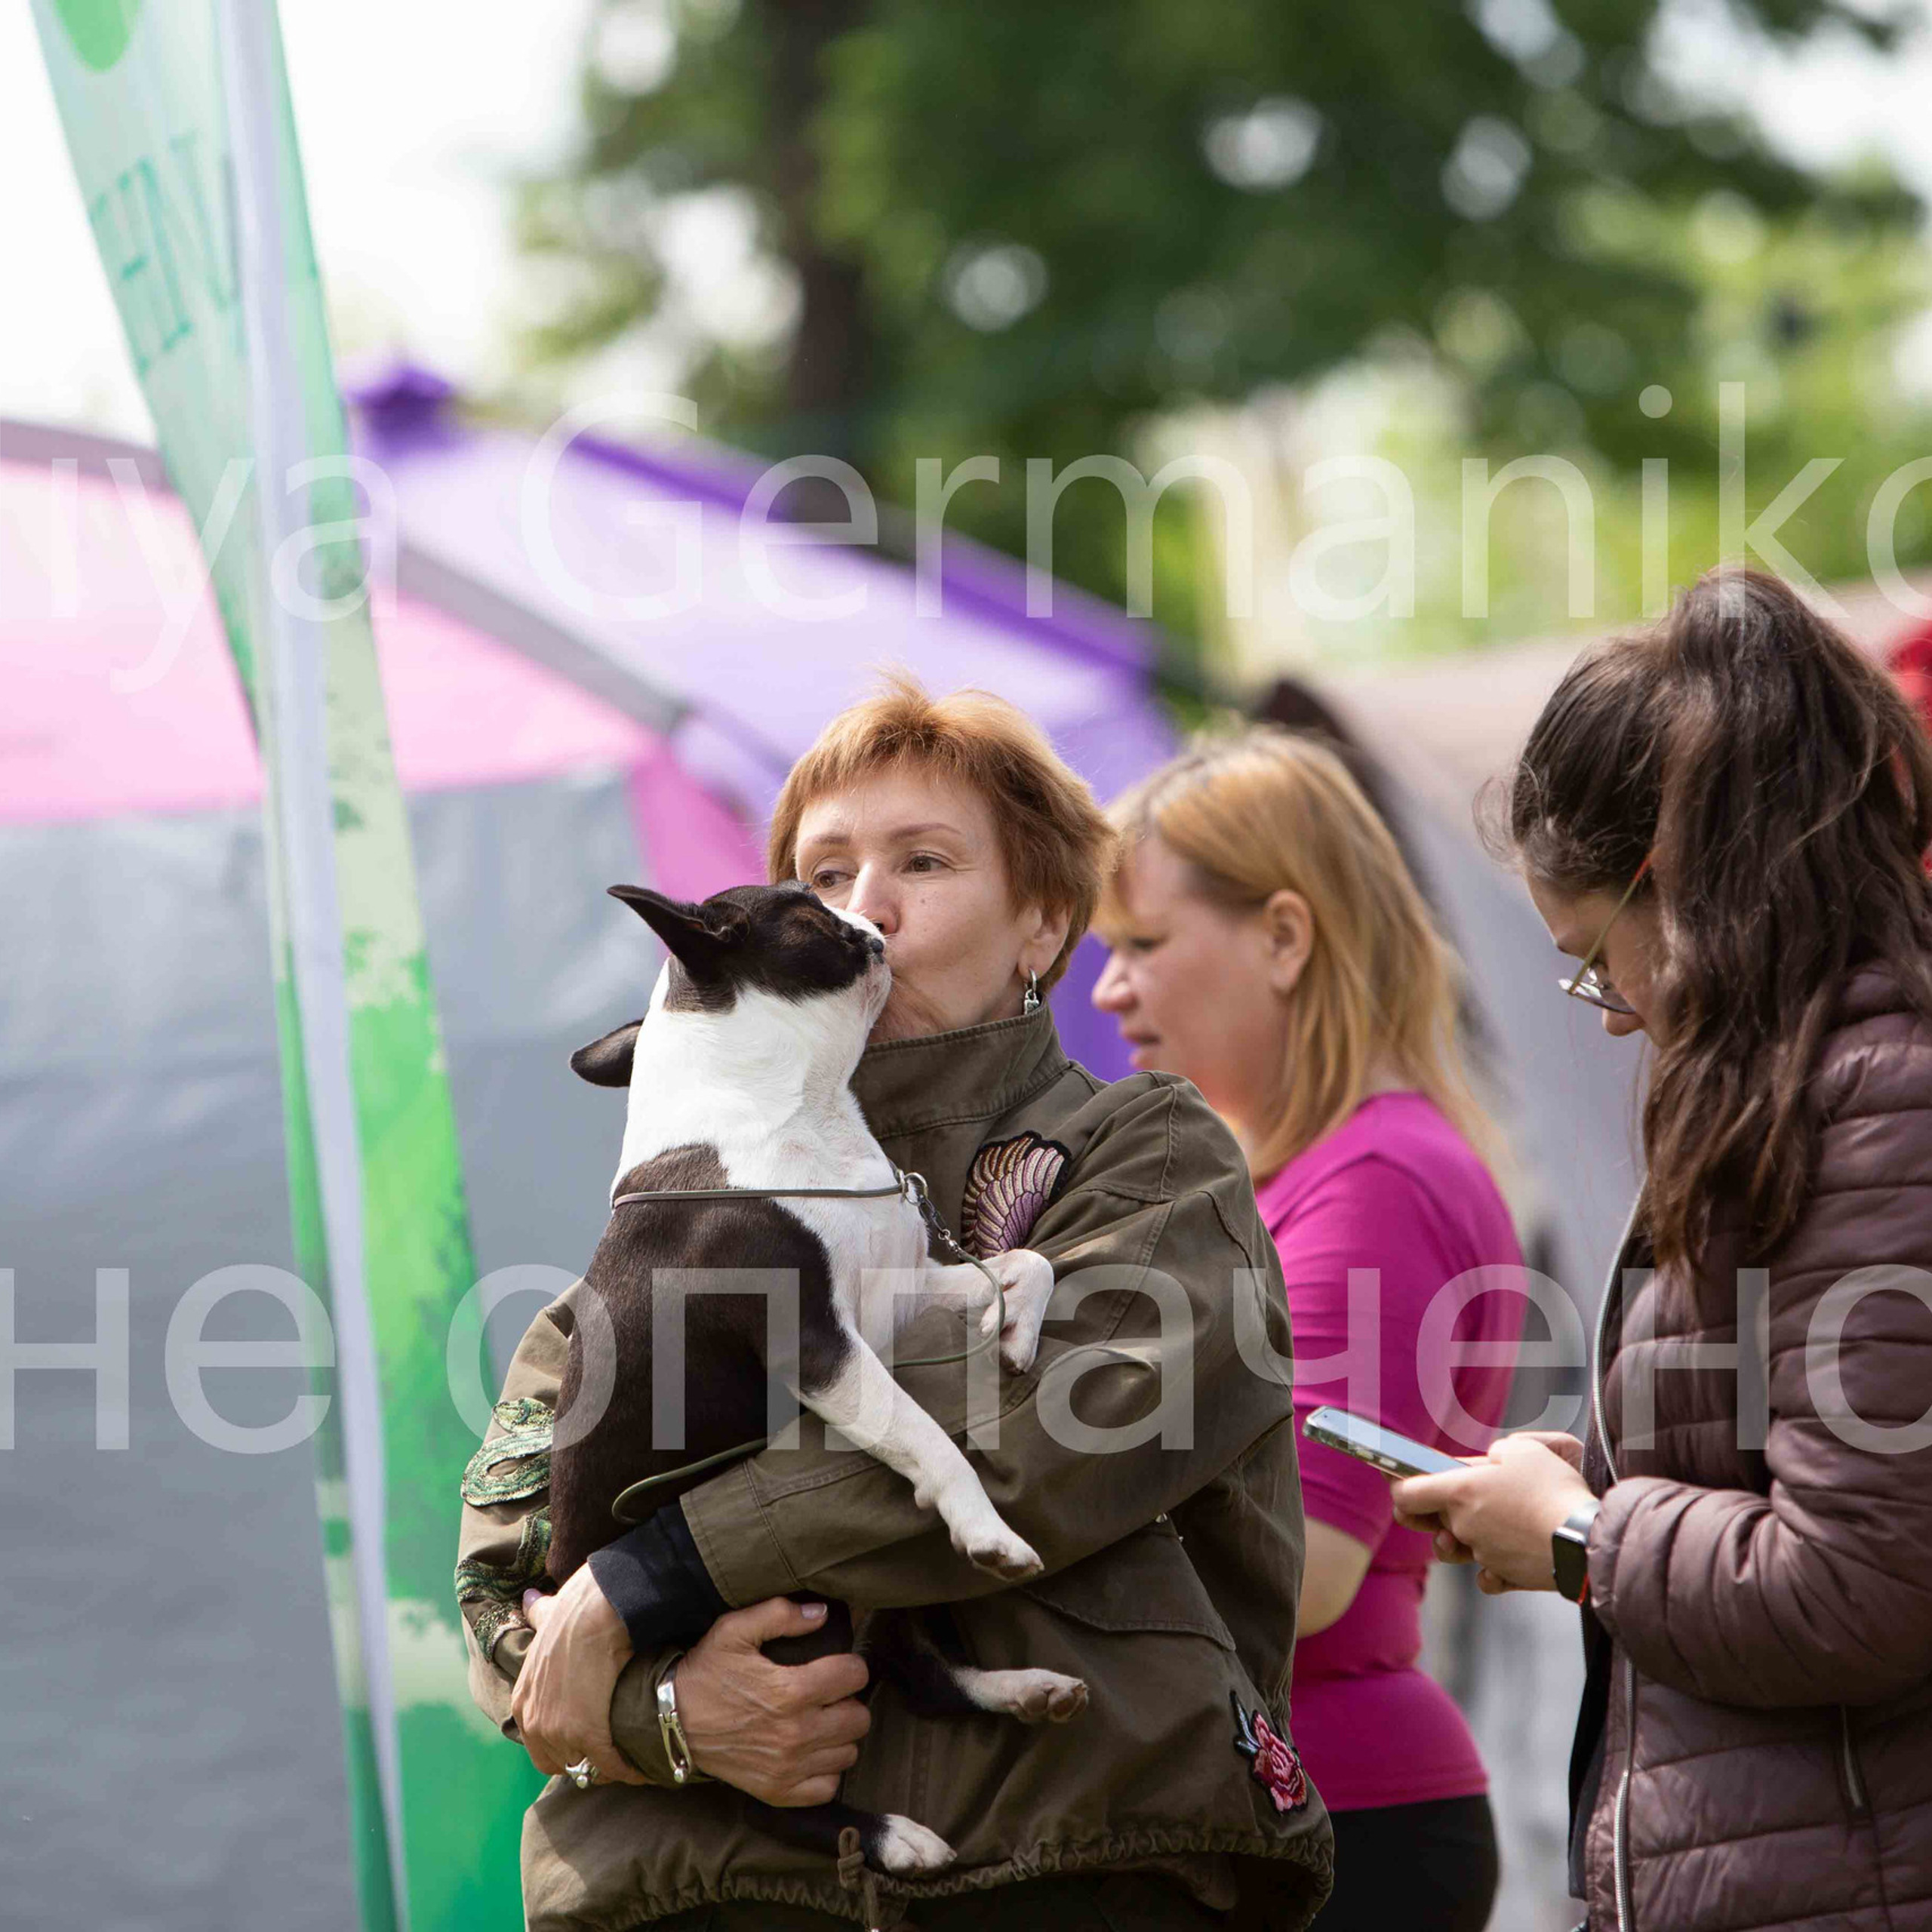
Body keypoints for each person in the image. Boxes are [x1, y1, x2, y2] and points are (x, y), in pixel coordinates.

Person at [454, 676, 1335, 1931]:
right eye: (824, 876)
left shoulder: (1150, 1157)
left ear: (1042, 923)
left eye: (924, 862)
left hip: (1064, 1871)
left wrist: (652, 1579)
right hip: (689, 1893)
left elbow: (1051, 1428)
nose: (864, 907)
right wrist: (668, 1712)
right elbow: (507, 1586)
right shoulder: (667, 1216)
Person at [1390, 568, 1932, 1932]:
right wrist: (1601, 1473)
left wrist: (1579, 1534)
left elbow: (1861, 1584)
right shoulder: (1801, 1090)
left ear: (1676, 885)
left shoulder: (1878, 1104)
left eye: (1596, 956)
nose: (1613, 1012)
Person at [1092, 728, 1524, 1932]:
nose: (1110, 989)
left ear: (1284, 937)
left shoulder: (1374, 1181)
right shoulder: (1314, 1176)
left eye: (1143, 945)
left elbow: (1303, 1569)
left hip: (1335, 1820)